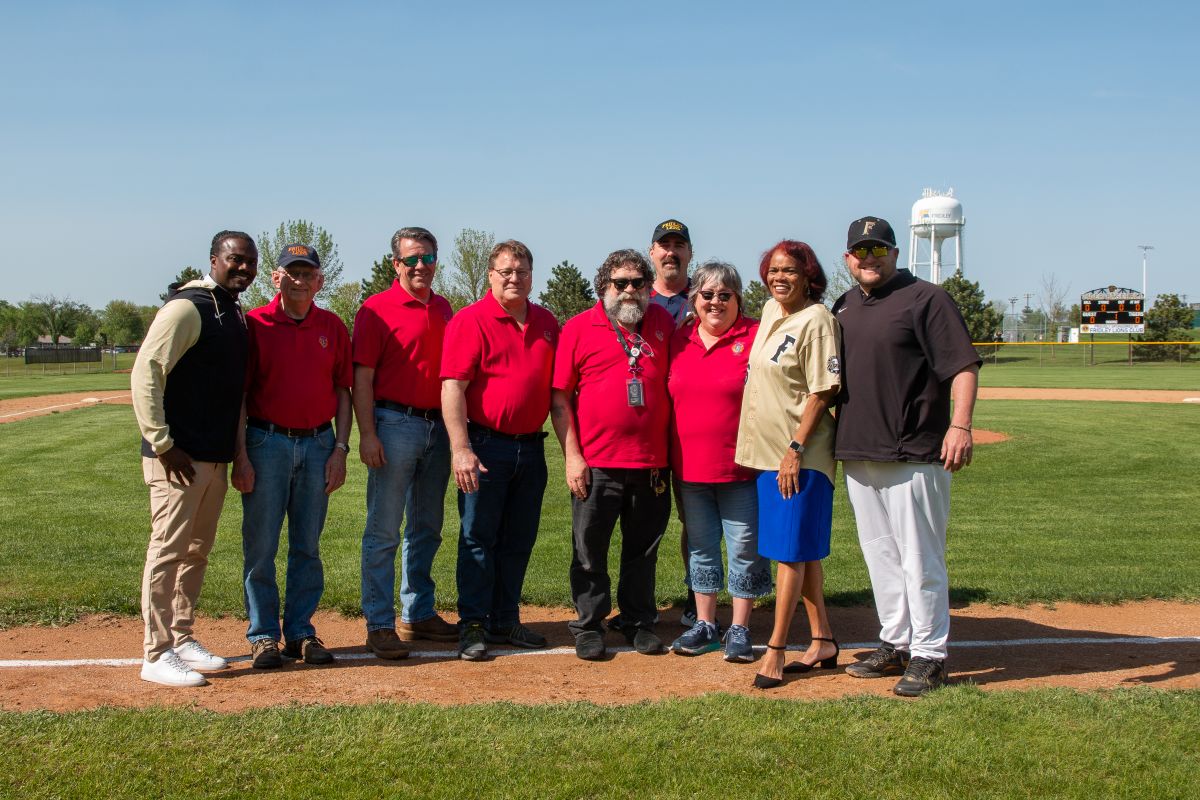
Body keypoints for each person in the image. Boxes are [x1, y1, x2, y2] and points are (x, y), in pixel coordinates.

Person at [833, 216, 980, 697]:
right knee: (881, 558)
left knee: (921, 558)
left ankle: (930, 655)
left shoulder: (927, 298)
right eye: (861, 250)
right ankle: (895, 642)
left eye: (879, 249)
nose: (870, 257)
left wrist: (960, 425)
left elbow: (962, 366)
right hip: (859, 449)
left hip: (915, 450)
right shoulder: (844, 305)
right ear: (848, 258)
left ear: (896, 253)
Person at [131, 230, 257, 687]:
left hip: (212, 457)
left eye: (250, 262)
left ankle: (181, 637)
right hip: (177, 458)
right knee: (167, 551)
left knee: (196, 551)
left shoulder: (232, 311)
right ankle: (156, 651)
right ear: (214, 260)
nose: (243, 268)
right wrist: (162, 443)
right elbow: (147, 371)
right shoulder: (188, 307)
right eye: (234, 259)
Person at [550, 249, 675, 661]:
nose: (629, 291)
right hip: (598, 461)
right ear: (604, 287)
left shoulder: (662, 324)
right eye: (620, 283)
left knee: (643, 550)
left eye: (638, 283)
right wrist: (573, 457)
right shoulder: (578, 328)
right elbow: (561, 399)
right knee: (589, 549)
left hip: (651, 462)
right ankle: (588, 624)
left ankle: (637, 621)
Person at [232, 244, 352, 669]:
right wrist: (240, 455)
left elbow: (344, 391)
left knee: (307, 545)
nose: (300, 280)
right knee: (261, 545)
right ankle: (263, 635)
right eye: (292, 272)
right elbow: (241, 396)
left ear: (319, 280)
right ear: (277, 278)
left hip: (319, 444)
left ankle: (300, 631)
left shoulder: (332, 326)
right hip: (267, 443)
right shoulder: (255, 325)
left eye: (308, 273)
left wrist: (340, 448)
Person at [441, 240, 559, 661]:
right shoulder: (470, 320)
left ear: (531, 275)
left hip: (531, 449)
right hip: (486, 445)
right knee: (478, 537)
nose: (514, 278)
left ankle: (505, 618)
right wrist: (461, 448)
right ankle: (472, 623)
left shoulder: (546, 322)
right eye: (506, 271)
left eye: (522, 270)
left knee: (519, 539)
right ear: (491, 275)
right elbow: (453, 386)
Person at [734, 240, 842, 690]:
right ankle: (823, 641)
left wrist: (795, 449)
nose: (780, 277)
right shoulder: (770, 313)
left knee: (787, 554)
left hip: (800, 455)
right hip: (769, 454)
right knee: (802, 551)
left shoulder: (817, 319)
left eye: (791, 271)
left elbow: (823, 390)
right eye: (774, 269)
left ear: (808, 276)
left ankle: (776, 649)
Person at [353, 226, 457, 661]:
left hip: (438, 428)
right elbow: (362, 377)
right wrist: (368, 434)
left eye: (427, 258)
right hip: (394, 423)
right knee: (384, 530)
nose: (420, 266)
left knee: (426, 527)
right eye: (411, 259)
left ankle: (417, 613)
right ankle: (380, 623)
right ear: (396, 263)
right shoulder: (375, 310)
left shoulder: (445, 307)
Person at [666, 261, 769, 663]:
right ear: (694, 300)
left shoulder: (756, 336)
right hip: (690, 469)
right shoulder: (680, 339)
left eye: (725, 295)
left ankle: (740, 627)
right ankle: (706, 625)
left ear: (738, 300)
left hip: (740, 468)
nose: (715, 302)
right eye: (707, 295)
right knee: (701, 547)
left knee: (744, 547)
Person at [646, 218, 700, 629]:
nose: (671, 252)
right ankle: (638, 602)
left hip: (687, 431)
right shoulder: (632, 298)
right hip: (644, 431)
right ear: (652, 254)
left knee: (693, 519)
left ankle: (696, 593)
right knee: (642, 522)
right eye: (664, 245)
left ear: (689, 254)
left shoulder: (707, 299)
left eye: (679, 245)